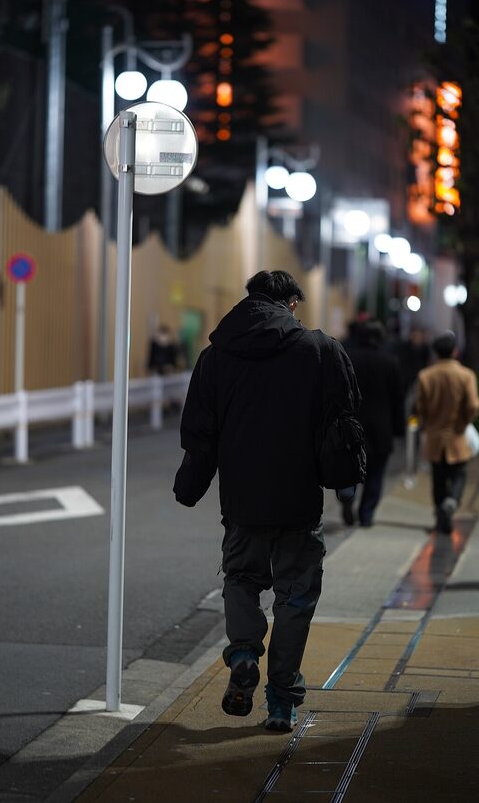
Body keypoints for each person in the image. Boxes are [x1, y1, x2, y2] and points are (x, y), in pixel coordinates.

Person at [173, 270, 360, 732]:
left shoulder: (216, 357)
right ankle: (281, 702)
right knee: (295, 597)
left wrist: (189, 487)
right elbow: (343, 423)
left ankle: (242, 655)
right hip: (299, 500)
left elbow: (200, 434)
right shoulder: (319, 350)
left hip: (242, 501)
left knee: (240, 579)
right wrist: (345, 482)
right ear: (291, 304)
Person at [415, 331, 479, 534]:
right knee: (459, 474)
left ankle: (440, 515)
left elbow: (420, 408)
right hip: (457, 435)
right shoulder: (466, 375)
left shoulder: (425, 376)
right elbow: (472, 405)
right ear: (455, 351)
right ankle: (452, 502)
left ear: (435, 352)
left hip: (434, 437)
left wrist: (427, 424)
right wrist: (464, 422)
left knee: (438, 479)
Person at [344, 321, 405, 527]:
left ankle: (347, 500)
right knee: (376, 472)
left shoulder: (348, 359)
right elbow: (398, 398)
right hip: (381, 426)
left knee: (349, 470)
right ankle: (366, 513)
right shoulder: (390, 362)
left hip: (351, 425)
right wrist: (399, 428)